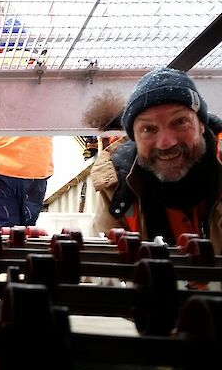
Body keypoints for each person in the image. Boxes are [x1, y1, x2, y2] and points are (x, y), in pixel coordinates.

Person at [90, 67, 222, 251]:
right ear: (134, 139)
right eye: (148, 129)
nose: (165, 143)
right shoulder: (118, 186)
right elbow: (102, 270)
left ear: (201, 125)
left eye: (180, 122)